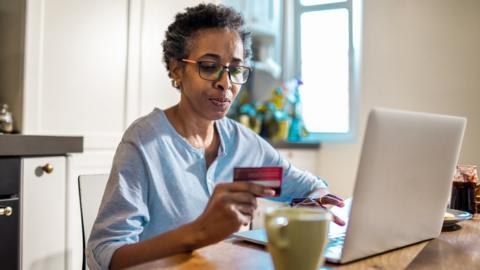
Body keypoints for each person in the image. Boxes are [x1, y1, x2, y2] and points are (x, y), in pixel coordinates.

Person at [87, 3, 345, 270]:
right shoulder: (144, 143)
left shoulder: (245, 147)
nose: (226, 83)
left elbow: (311, 188)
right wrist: (199, 232)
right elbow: (106, 255)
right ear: (176, 69)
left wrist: (316, 203)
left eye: (235, 69)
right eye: (209, 66)